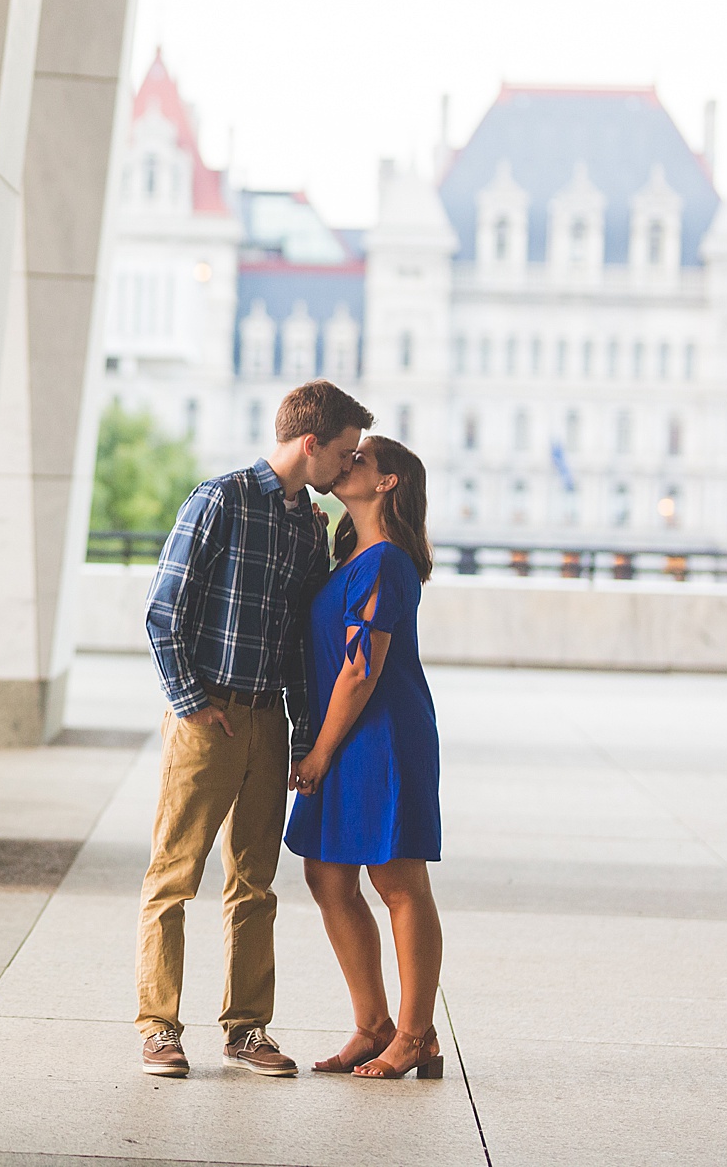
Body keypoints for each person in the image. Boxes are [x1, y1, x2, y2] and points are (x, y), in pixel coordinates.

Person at [137, 380, 372, 1078]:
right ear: (311, 444)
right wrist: (191, 701)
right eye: (344, 453)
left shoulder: (306, 528)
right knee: (173, 877)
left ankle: (247, 1030)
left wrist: (301, 739)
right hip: (206, 718)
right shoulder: (222, 499)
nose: (347, 466)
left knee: (254, 883)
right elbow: (162, 611)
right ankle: (158, 1028)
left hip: (269, 720)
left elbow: (301, 645)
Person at [285, 435, 446, 1080]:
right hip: (345, 730)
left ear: (388, 484)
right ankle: (373, 1025)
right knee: (328, 877)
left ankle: (414, 1036)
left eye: (360, 459)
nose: (344, 463)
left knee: (398, 881)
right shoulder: (351, 553)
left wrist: (319, 753)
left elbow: (361, 671)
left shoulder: (387, 562)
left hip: (379, 732)